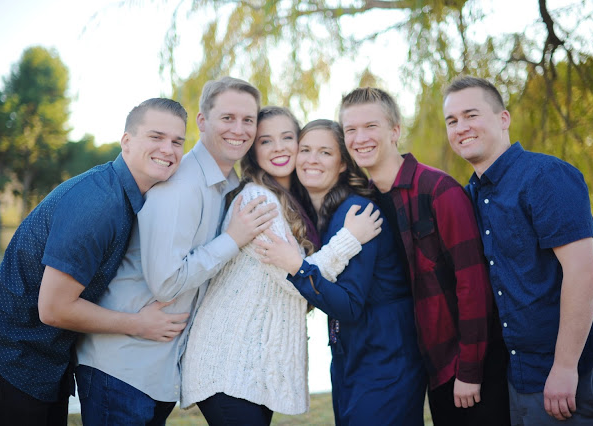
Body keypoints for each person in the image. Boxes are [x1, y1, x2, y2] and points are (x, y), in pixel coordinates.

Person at [74, 77, 281, 425]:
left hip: (156, 369)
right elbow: (167, 283)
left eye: (248, 120)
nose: (239, 129)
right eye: (227, 118)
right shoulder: (182, 185)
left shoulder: (223, 185)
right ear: (202, 121)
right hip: (123, 369)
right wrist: (233, 238)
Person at [0, 98, 189, 425]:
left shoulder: (126, 195)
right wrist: (140, 324)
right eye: (156, 136)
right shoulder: (99, 204)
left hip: (45, 358)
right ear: (127, 141)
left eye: (177, 142)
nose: (168, 149)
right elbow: (54, 308)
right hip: (11, 352)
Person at [180, 107, 382, 425]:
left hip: (252, 369)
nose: (278, 148)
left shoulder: (291, 202)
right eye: (265, 141)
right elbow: (295, 279)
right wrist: (349, 239)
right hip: (227, 365)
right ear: (253, 150)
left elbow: (297, 269)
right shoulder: (259, 201)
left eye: (287, 138)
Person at [443, 75, 593, 425]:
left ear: (503, 119)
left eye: (471, 115)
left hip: (576, 372)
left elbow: (583, 271)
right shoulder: (471, 196)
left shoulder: (545, 176)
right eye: (452, 120)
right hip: (523, 376)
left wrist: (565, 367)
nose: (461, 127)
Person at [337, 87, 510, 426]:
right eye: (350, 130)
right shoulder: (363, 206)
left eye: (371, 126)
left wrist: (469, 371)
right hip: (422, 367)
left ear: (395, 131)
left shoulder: (439, 191)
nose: (360, 138)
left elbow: (473, 285)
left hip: (466, 368)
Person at [256, 119, 427, 425]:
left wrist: (296, 267)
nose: (312, 159)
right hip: (352, 358)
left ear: (343, 164)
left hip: (385, 360)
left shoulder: (356, 212)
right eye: (306, 150)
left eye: (325, 152)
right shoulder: (320, 218)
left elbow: (348, 305)